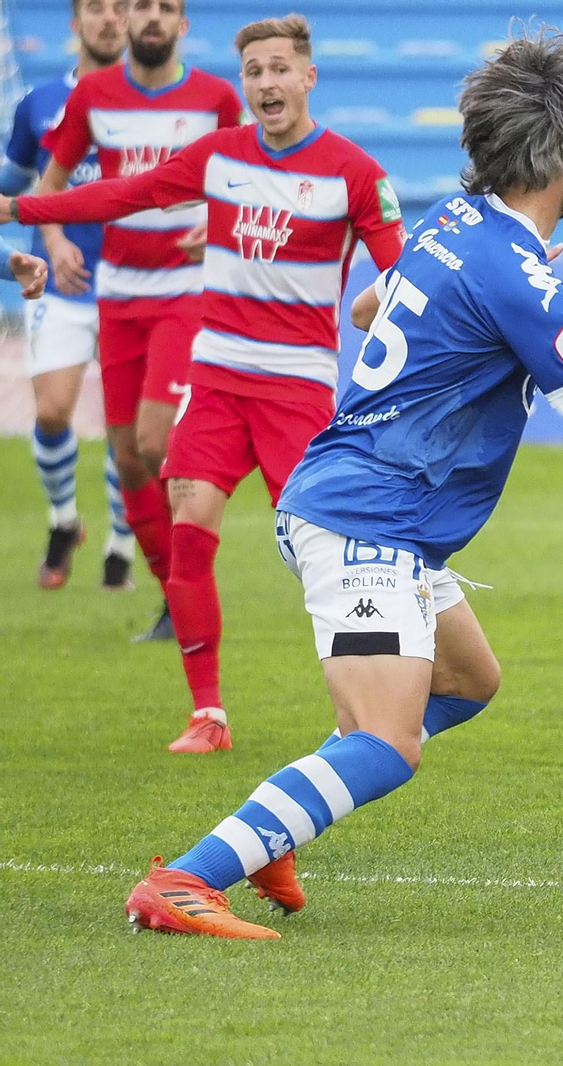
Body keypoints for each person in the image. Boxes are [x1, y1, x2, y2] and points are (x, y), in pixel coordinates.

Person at [118, 30, 563, 939]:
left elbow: (369, 303)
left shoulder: (450, 222)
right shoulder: (524, 279)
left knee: (467, 679)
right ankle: (186, 879)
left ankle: (277, 828)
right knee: (387, 742)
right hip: (364, 519)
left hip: (383, 513)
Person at [3, 14, 406, 754]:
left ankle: (363, 707)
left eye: (279, 68)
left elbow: (402, 272)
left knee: (322, 554)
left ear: (307, 77)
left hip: (297, 390)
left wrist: (379, 303)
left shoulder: (354, 172)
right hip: (218, 377)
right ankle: (208, 714)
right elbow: (121, 196)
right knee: (188, 523)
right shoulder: (218, 157)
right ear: (243, 82)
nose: (266, 84)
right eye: (254, 71)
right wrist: (20, 209)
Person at [37, 0, 244, 641]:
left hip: (185, 292)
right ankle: (172, 601)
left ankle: (184, 595)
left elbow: (249, 180)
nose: (152, 18)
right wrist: (56, 242)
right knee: (127, 459)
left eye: (167, 8)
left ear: (183, 24)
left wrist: (216, 220)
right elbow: (51, 185)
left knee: (157, 444)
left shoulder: (215, 98)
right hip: (116, 294)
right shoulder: (95, 95)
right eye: (142, 8)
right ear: (124, 22)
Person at [3, 0, 132, 590]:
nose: (110, 19)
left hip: (134, 283)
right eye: (97, 9)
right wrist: (47, 240)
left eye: (120, 9)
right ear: (75, 22)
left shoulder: (155, 107)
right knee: (53, 410)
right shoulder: (42, 104)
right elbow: (14, 179)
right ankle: (63, 521)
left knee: (126, 424)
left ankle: (121, 546)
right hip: (65, 282)